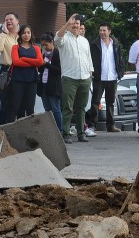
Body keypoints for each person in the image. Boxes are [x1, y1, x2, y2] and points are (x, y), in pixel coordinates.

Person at [55, 14, 94, 143]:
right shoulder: (64, 38)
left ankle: (81, 133)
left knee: (81, 108)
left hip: (85, 78)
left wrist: (90, 75)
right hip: (69, 78)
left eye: (77, 23)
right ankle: (66, 133)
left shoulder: (84, 41)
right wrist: (67, 24)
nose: (76, 25)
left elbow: (89, 59)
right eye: (73, 23)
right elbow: (56, 39)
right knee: (67, 108)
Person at [87, 23, 126, 132]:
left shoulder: (116, 44)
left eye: (104, 30)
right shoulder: (94, 44)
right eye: (100, 30)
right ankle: (92, 125)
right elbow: (90, 59)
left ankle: (110, 126)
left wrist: (121, 71)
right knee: (95, 101)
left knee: (110, 102)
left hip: (112, 76)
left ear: (109, 32)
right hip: (99, 77)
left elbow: (120, 59)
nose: (102, 33)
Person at [0, 12, 21, 125]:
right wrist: (4, 33)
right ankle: (3, 129)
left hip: (20, 71)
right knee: (5, 103)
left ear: (17, 21)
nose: (8, 21)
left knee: (18, 103)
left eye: (11, 19)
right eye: (6, 19)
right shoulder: (1, 36)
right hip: (6, 72)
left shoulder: (22, 36)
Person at [8, 25, 43, 120]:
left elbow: (40, 62)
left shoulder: (36, 48)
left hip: (32, 80)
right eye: (23, 33)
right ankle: (11, 130)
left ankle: (29, 132)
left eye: (28, 32)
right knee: (15, 106)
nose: (26, 35)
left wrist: (24, 59)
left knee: (30, 108)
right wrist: (32, 62)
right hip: (18, 80)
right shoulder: (15, 47)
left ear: (31, 34)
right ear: (20, 34)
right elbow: (16, 62)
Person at [37, 33, 64, 133]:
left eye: (46, 45)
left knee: (56, 109)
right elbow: (40, 70)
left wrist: (47, 64)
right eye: (43, 45)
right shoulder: (44, 54)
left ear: (52, 42)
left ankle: (60, 130)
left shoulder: (57, 53)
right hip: (44, 85)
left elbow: (59, 70)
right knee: (47, 109)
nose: (45, 47)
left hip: (54, 86)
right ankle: (51, 130)